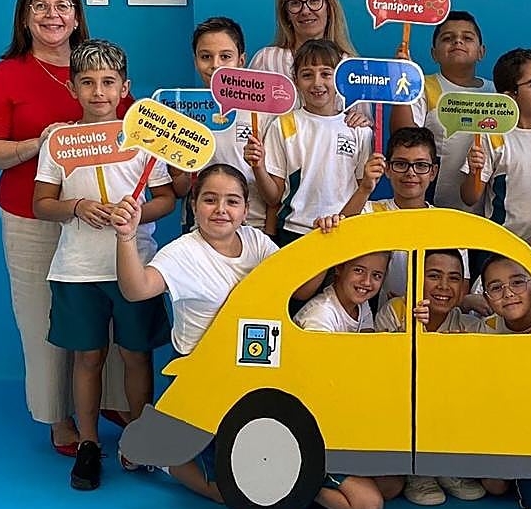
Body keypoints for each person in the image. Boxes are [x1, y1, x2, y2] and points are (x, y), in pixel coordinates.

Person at [0, 0, 131, 458]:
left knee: (107, 311)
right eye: (40, 7)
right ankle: (57, 414)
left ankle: (111, 401)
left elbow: (132, 133)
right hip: (32, 216)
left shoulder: (99, 67)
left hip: (102, 218)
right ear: (25, 16)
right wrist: (38, 144)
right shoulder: (7, 74)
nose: (52, 16)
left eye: (62, 6)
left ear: (77, 15)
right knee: (43, 318)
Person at [32, 40, 175, 490]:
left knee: (136, 356)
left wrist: (135, 215)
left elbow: (167, 199)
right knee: (87, 358)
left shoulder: (143, 140)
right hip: (77, 270)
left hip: (133, 266)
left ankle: (140, 436)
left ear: (124, 88)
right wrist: (75, 206)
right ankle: (90, 443)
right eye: (88, 82)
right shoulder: (59, 141)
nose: (99, 91)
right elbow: (41, 203)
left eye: (109, 82)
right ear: (73, 88)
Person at [113, 163, 280, 503]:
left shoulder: (256, 241)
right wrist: (126, 236)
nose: (221, 209)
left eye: (232, 201)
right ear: (193, 205)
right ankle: (154, 450)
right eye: (210, 199)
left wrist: (329, 234)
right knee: (226, 490)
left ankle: (158, 434)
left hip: (249, 371)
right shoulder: (182, 252)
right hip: (200, 372)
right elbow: (137, 289)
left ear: (246, 210)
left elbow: (301, 286)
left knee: (258, 463)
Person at [374, 249, 504, 506]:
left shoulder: (469, 325)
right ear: (417, 279)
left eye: (454, 278)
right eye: (434, 276)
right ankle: (417, 472)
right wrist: (409, 334)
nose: (444, 286)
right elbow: (382, 375)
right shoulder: (395, 311)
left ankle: (446, 467)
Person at [293, 252, 405, 509]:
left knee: (393, 484)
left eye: (377, 276)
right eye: (359, 271)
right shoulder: (320, 315)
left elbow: (366, 353)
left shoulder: (361, 306)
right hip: (311, 426)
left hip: (340, 417)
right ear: (339, 270)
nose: (367, 281)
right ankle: (295, 478)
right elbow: (319, 382)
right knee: (367, 506)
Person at [314, 127, 468, 305]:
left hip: (426, 324)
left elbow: (460, 291)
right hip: (372, 320)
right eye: (401, 164)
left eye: (421, 165)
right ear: (387, 169)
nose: (411, 173)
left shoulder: (448, 225)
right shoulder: (369, 211)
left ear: (433, 172)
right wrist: (365, 188)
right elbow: (340, 240)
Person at [249, 40, 373, 246]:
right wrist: (258, 166)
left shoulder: (359, 130)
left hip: (345, 229)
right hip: (294, 231)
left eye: (326, 74)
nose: (317, 83)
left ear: (341, 78)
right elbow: (273, 197)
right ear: (295, 80)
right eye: (307, 75)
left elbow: (362, 189)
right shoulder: (283, 125)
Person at [171, 17, 273, 234]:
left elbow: (275, 193)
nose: (215, 64)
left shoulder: (261, 114)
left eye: (225, 56)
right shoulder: (184, 112)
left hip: (253, 223)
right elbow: (181, 190)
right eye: (205, 57)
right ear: (195, 60)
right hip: (199, 225)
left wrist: (258, 164)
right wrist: (178, 172)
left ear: (241, 60)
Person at [390, 10, 495, 212]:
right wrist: (403, 81)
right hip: (430, 203)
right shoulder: (421, 86)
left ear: (481, 52)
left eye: (467, 38)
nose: (457, 42)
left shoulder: (497, 93)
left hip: (483, 209)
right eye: (448, 38)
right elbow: (402, 136)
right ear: (434, 53)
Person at [461, 48, 531, 240]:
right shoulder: (492, 137)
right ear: (510, 95)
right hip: (504, 243)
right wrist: (474, 170)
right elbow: (469, 198)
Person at [250, 0, 360, 78]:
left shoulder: (350, 66)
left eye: (314, 1)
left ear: (329, 8)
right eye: (295, 3)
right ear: (285, 13)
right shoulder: (266, 60)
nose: (305, 11)